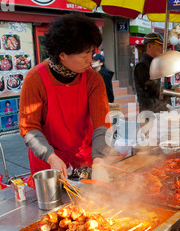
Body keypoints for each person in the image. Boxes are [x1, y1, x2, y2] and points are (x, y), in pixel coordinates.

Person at [19, 13, 115, 178]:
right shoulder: (35, 79)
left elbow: (102, 123)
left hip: (84, 157)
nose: (90, 61)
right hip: (49, 160)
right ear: (62, 55)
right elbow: (29, 127)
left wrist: (99, 159)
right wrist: (50, 157)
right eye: (84, 56)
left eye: (91, 54)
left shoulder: (93, 79)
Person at [134, 32, 167, 113]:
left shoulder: (156, 63)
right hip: (149, 113)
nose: (162, 48)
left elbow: (162, 84)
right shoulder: (142, 66)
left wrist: (172, 88)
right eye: (159, 45)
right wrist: (171, 92)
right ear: (149, 46)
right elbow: (151, 89)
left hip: (159, 110)